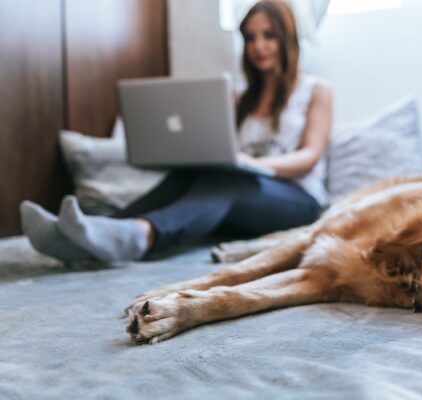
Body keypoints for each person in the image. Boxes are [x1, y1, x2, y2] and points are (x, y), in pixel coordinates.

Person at [20, 0, 333, 263]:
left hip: (298, 200)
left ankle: (140, 235)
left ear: (286, 38)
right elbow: (221, 147)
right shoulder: (238, 95)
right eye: (250, 38)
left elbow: (310, 156)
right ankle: (91, 232)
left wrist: (254, 165)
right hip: (241, 191)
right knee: (195, 175)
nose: (258, 46)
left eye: (268, 36)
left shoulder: (315, 90)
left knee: (225, 181)